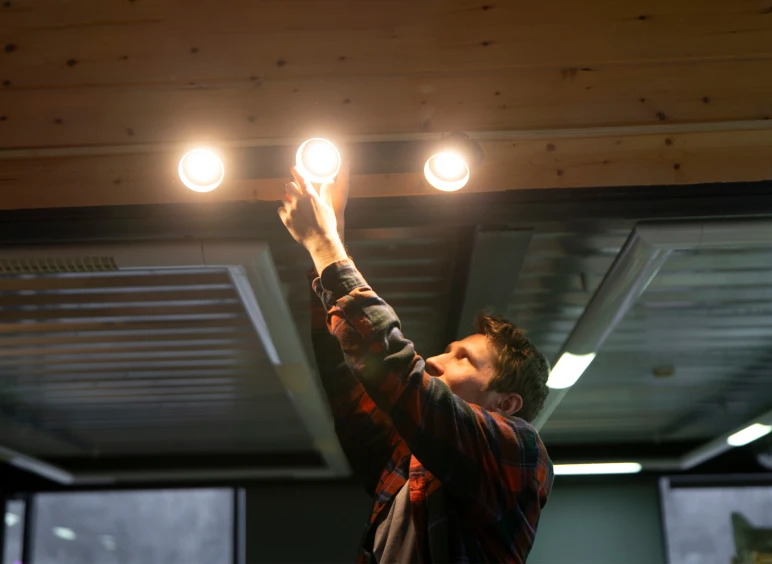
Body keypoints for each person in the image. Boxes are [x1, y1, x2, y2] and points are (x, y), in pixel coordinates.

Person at [279, 163, 553, 564]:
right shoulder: (412, 460)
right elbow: (352, 377)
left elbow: (398, 371)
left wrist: (325, 246)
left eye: (463, 358)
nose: (435, 360)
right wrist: (331, 241)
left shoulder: (521, 453)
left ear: (506, 404)